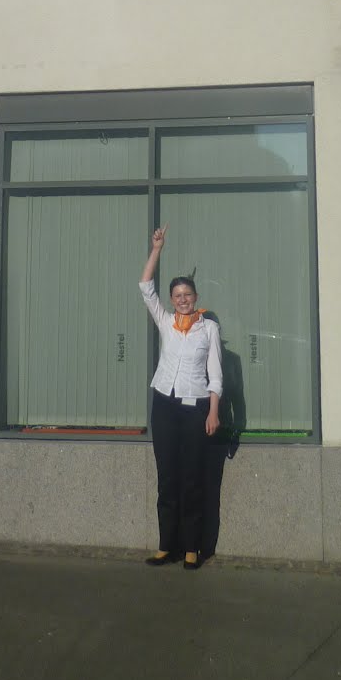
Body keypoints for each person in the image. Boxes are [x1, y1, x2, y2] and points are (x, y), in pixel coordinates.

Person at [139, 225, 222, 570]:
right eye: (177, 295)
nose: (182, 299)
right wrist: (157, 249)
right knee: (167, 477)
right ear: (172, 300)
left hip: (195, 408)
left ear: (195, 296)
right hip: (164, 405)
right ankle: (166, 547)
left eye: (187, 294)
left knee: (191, 479)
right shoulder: (166, 322)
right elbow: (145, 286)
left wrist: (213, 412)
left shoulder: (208, 328)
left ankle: (191, 548)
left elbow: (216, 374)